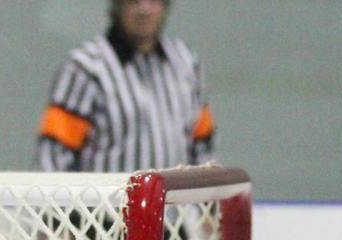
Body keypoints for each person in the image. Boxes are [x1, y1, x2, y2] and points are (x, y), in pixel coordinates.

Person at [36, 0, 213, 172]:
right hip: (108, 193)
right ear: (117, 5)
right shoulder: (86, 68)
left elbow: (203, 148)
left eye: (153, 1)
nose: (144, 9)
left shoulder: (185, 63)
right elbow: (52, 156)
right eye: (134, 1)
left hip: (175, 193)